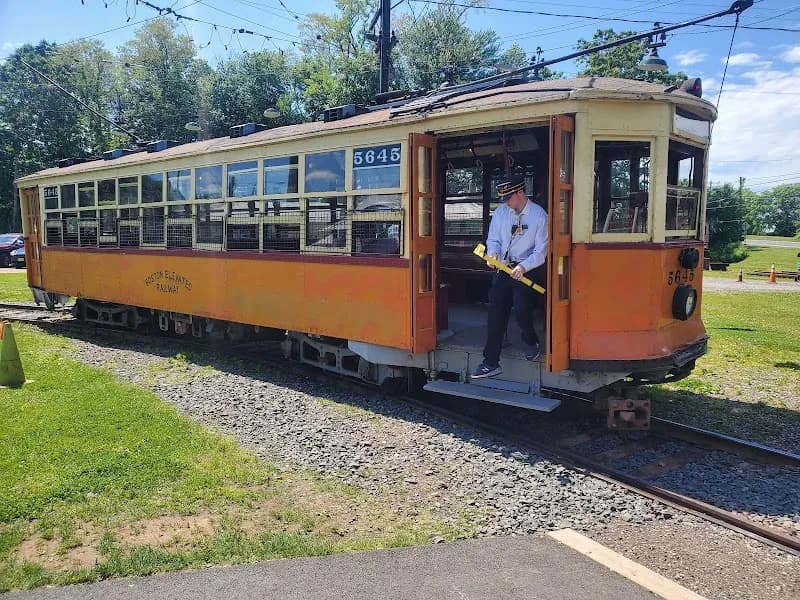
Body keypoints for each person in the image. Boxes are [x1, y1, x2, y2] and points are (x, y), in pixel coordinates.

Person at [473, 174, 548, 379]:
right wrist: (493, 253)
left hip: (526, 270)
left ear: (520, 193)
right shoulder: (501, 213)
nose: (506, 202)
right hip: (503, 269)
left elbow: (541, 251)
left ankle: (530, 340)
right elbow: (494, 239)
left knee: (522, 309)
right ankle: (490, 362)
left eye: (509, 198)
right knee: (495, 312)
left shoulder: (539, 216)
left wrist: (523, 267)